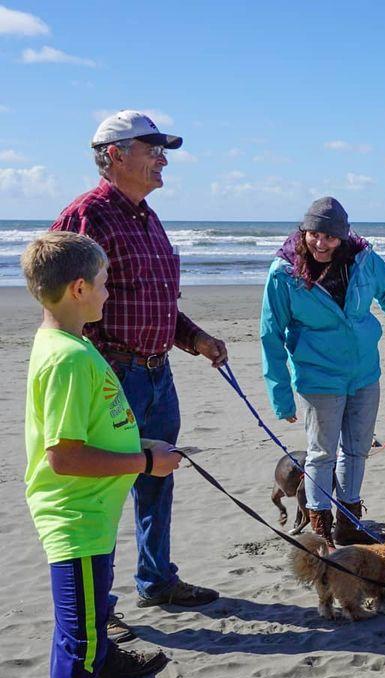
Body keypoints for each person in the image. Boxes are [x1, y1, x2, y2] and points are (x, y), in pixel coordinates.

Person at [51, 111, 228, 637]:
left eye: (162, 149)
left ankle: (156, 580)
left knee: (158, 476)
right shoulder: (85, 218)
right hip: (111, 376)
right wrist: (87, 379)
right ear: (114, 155)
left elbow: (157, 302)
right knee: (104, 492)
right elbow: (65, 307)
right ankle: (98, 609)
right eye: (151, 148)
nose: (163, 158)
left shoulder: (148, 217)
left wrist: (194, 338)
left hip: (158, 373)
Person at [22, 232, 182, 678]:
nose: (110, 293)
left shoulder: (76, 344)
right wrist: (145, 461)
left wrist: (141, 440)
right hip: (78, 523)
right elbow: (63, 456)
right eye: (105, 283)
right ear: (77, 288)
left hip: (93, 519)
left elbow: (94, 427)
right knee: (84, 651)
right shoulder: (65, 358)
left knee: (79, 639)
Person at [261, 197, 385, 548]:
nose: (321, 243)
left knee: (356, 449)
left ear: (343, 237)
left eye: (330, 237)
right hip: (318, 378)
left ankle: (348, 523)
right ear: (304, 231)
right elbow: (270, 334)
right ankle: (321, 526)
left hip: (364, 373)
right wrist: (280, 396)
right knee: (321, 453)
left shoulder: (365, 261)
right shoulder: (284, 273)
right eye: (314, 234)